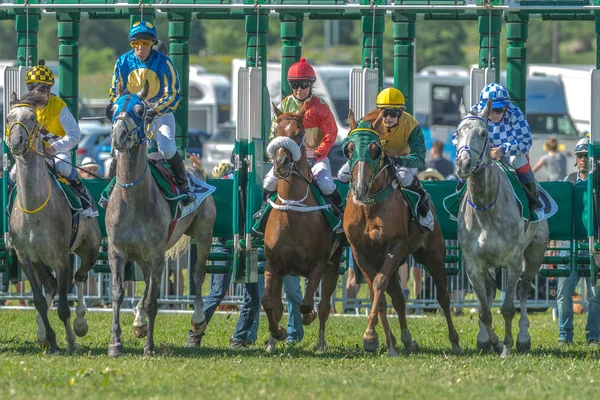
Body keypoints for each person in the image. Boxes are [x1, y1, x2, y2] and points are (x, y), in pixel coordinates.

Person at [107, 20, 195, 206]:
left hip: (159, 115)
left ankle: (184, 186)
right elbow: (115, 92)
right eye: (136, 43)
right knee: (116, 150)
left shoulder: (165, 62)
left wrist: (154, 110)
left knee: (168, 147)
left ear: (153, 43)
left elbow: (173, 94)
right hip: (131, 117)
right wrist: (120, 110)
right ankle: (108, 192)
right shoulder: (122, 62)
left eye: (146, 43)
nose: (140, 47)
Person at [253, 57, 344, 222]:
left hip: (315, 155)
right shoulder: (283, 106)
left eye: (304, 85)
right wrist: (277, 156)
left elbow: (331, 134)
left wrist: (316, 156)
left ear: (311, 85)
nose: (299, 89)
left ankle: (339, 214)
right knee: (268, 183)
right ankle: (262, 212)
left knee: (325, 184)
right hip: (287, 155)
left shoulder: (320, 106)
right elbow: (274, 134)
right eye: (295, 85)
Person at [185, 156, 262, 349]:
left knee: (246, 295)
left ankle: (237, 337)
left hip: (242, 242)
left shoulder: (226, 181)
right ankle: (198, 335)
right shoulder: (255, 184)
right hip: (237, 241)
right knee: (224, 292)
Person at [10, 59, 96, 217]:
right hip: (32, 153)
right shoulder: (25, 107)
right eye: (32, 88)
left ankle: (85, 199)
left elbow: (75, 134)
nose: (37, 93)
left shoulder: (59, 105)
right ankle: (9, 211)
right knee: (13, 175)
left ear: (48, 89)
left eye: (41, 88)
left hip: (56, 152)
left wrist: (54, 147)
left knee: (63, 168)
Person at [338, 87, 433, 228]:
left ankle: (422, 204)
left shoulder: (412, 125)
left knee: (404, 178)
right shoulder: (366, 121)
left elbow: (419, 158)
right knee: (342, 176)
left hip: (401, 159)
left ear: (401, 112)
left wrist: (397, 160)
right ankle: (342, 212)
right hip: (373, 158)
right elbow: (348, 141)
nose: (388, 118)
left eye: (393, 113)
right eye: (384, 113)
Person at [466, 83, 542, 210]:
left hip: (510, 156)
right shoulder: (475, 113)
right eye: (489, 110)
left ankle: (532, 197)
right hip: (482, 156)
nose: (493, 115)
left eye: (498, 110)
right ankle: (459, 195)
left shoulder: (515, 114)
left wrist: (502, 149)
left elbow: (526, 142)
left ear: (506, 107)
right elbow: (458, 137)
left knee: (519, 159)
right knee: (467, 160)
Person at [557, 137, 600, 346]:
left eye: (586, 155)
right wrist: (557, 244)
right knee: (564, 294)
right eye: (580, 156)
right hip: (570, 245)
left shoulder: (598, 183)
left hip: (593, 246)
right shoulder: (568, 180)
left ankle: (594, 336)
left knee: (595, 296)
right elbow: (562, 214)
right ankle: (565, 336)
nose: (583, 159)